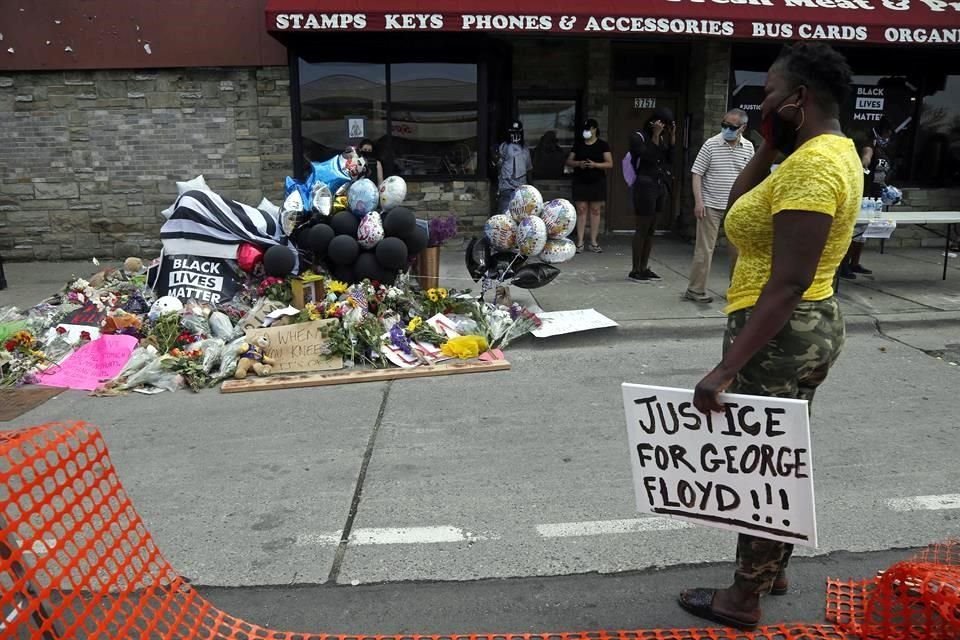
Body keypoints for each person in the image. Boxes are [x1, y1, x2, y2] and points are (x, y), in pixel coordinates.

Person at [678, 42, 861, 631]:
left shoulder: (813, 168)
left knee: (762, 468)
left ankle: (741, 599)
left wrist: (727, 368)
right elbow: (738, 209)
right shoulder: (822, 154)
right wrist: (769, 145)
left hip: (782, 330)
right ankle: (772, 567)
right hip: (804, 329)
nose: (763, 103)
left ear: (800, 99)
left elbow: (787, 282)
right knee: (781, 455)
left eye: (772, 95)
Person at [684, 109, 755, 302]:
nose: (727, 130)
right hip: (711, 204)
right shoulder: (711, 144)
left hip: (737, 206)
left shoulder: (748, 147)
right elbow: (697, 173)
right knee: (705, 249)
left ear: (743, 127)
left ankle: (735, 289)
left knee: (738, 250)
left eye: (732, 127)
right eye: (724, 125)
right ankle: (696, 289)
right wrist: (699, 202)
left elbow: (750, 178)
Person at [840, 117, 894, 279]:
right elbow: (866, 158)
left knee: (864, 233)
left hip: (875, 195)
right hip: (863, 195)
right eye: (886, 134)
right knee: (855, 231)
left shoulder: (884, 150)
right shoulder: (869, 145)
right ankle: (843, 265)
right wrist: (864, 164)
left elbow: (881, 173)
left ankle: (854, 263)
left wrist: (887, 189)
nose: (887, 138)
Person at [626, 108, 676, 281]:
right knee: (642, 228)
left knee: (652, 229)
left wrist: (671, 138)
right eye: (662, 124)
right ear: (653, 122)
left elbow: (669, 159)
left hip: (659, 186)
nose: (663, 128)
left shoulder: (662, 138)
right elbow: (647, 156)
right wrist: (655, 136)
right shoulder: (638, 137)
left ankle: (644, 267)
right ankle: (635, 269)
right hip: (644, 185)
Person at [567, 118, 613, 253]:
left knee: (595, 210)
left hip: (597, 181)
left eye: (589, 129)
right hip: (580, 180)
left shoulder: (603, 145)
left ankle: (593, 241)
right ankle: (580, 242)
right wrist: (578, 164)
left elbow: (610, 163)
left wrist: (595, 165)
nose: (586, 131)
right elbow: (569, 161)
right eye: (585, 129)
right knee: (581, 210)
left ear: (595, 129)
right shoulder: (578, 144)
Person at [496, 121, 533, 215]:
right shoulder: (504, 146)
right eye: (512, 132)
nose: (515, 135)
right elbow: (499, 164)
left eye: (517, 132)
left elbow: (528, 169)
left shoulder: (525, 149)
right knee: (505, 214)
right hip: (507, 186)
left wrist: (531, 186)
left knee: (521, 214)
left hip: (521, 188)